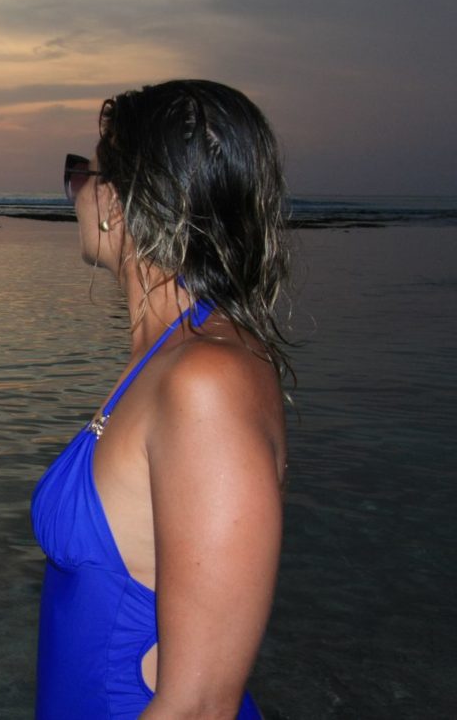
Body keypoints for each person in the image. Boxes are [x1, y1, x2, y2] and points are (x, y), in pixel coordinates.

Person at [32, 80, 291, 719]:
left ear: (117, 202)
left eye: (82, 173)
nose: (74, 191)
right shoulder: (168, 359)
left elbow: (200, 705)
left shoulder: (206, 383)